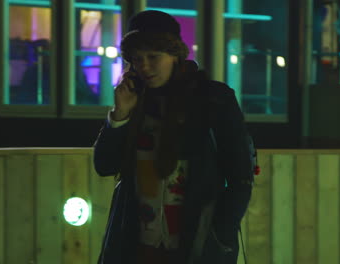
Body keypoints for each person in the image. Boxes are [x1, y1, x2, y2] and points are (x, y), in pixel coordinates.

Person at [93, 10, 253, 264]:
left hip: (196, 243)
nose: (144, 66)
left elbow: (241, 175)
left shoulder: (213, 99)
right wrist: (120, 116)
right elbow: (105, 165)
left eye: (153, 56)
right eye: (136, 59)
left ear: (175, 55)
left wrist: (220, 233)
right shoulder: (134, 101)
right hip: (138, 244)